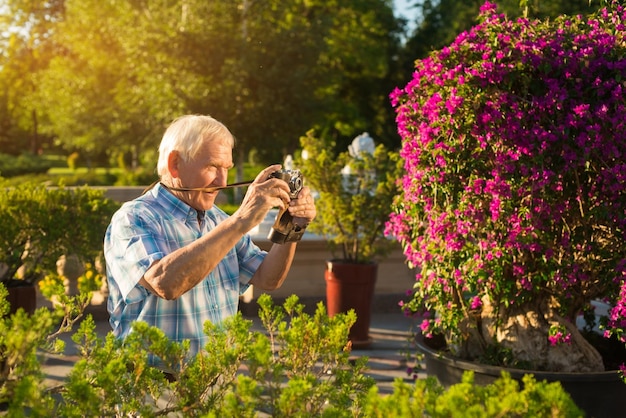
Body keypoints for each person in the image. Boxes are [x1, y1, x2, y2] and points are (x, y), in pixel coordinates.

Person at [104, 114, 317, 371]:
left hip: (216, 387)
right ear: (175, 164)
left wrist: (291, 225)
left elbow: (267, 278)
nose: (222, 181)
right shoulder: (133, 218)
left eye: (226, 168)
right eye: (213, 166)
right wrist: (241, 220)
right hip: (153, 393)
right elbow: (165, 283)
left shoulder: (219, 220)